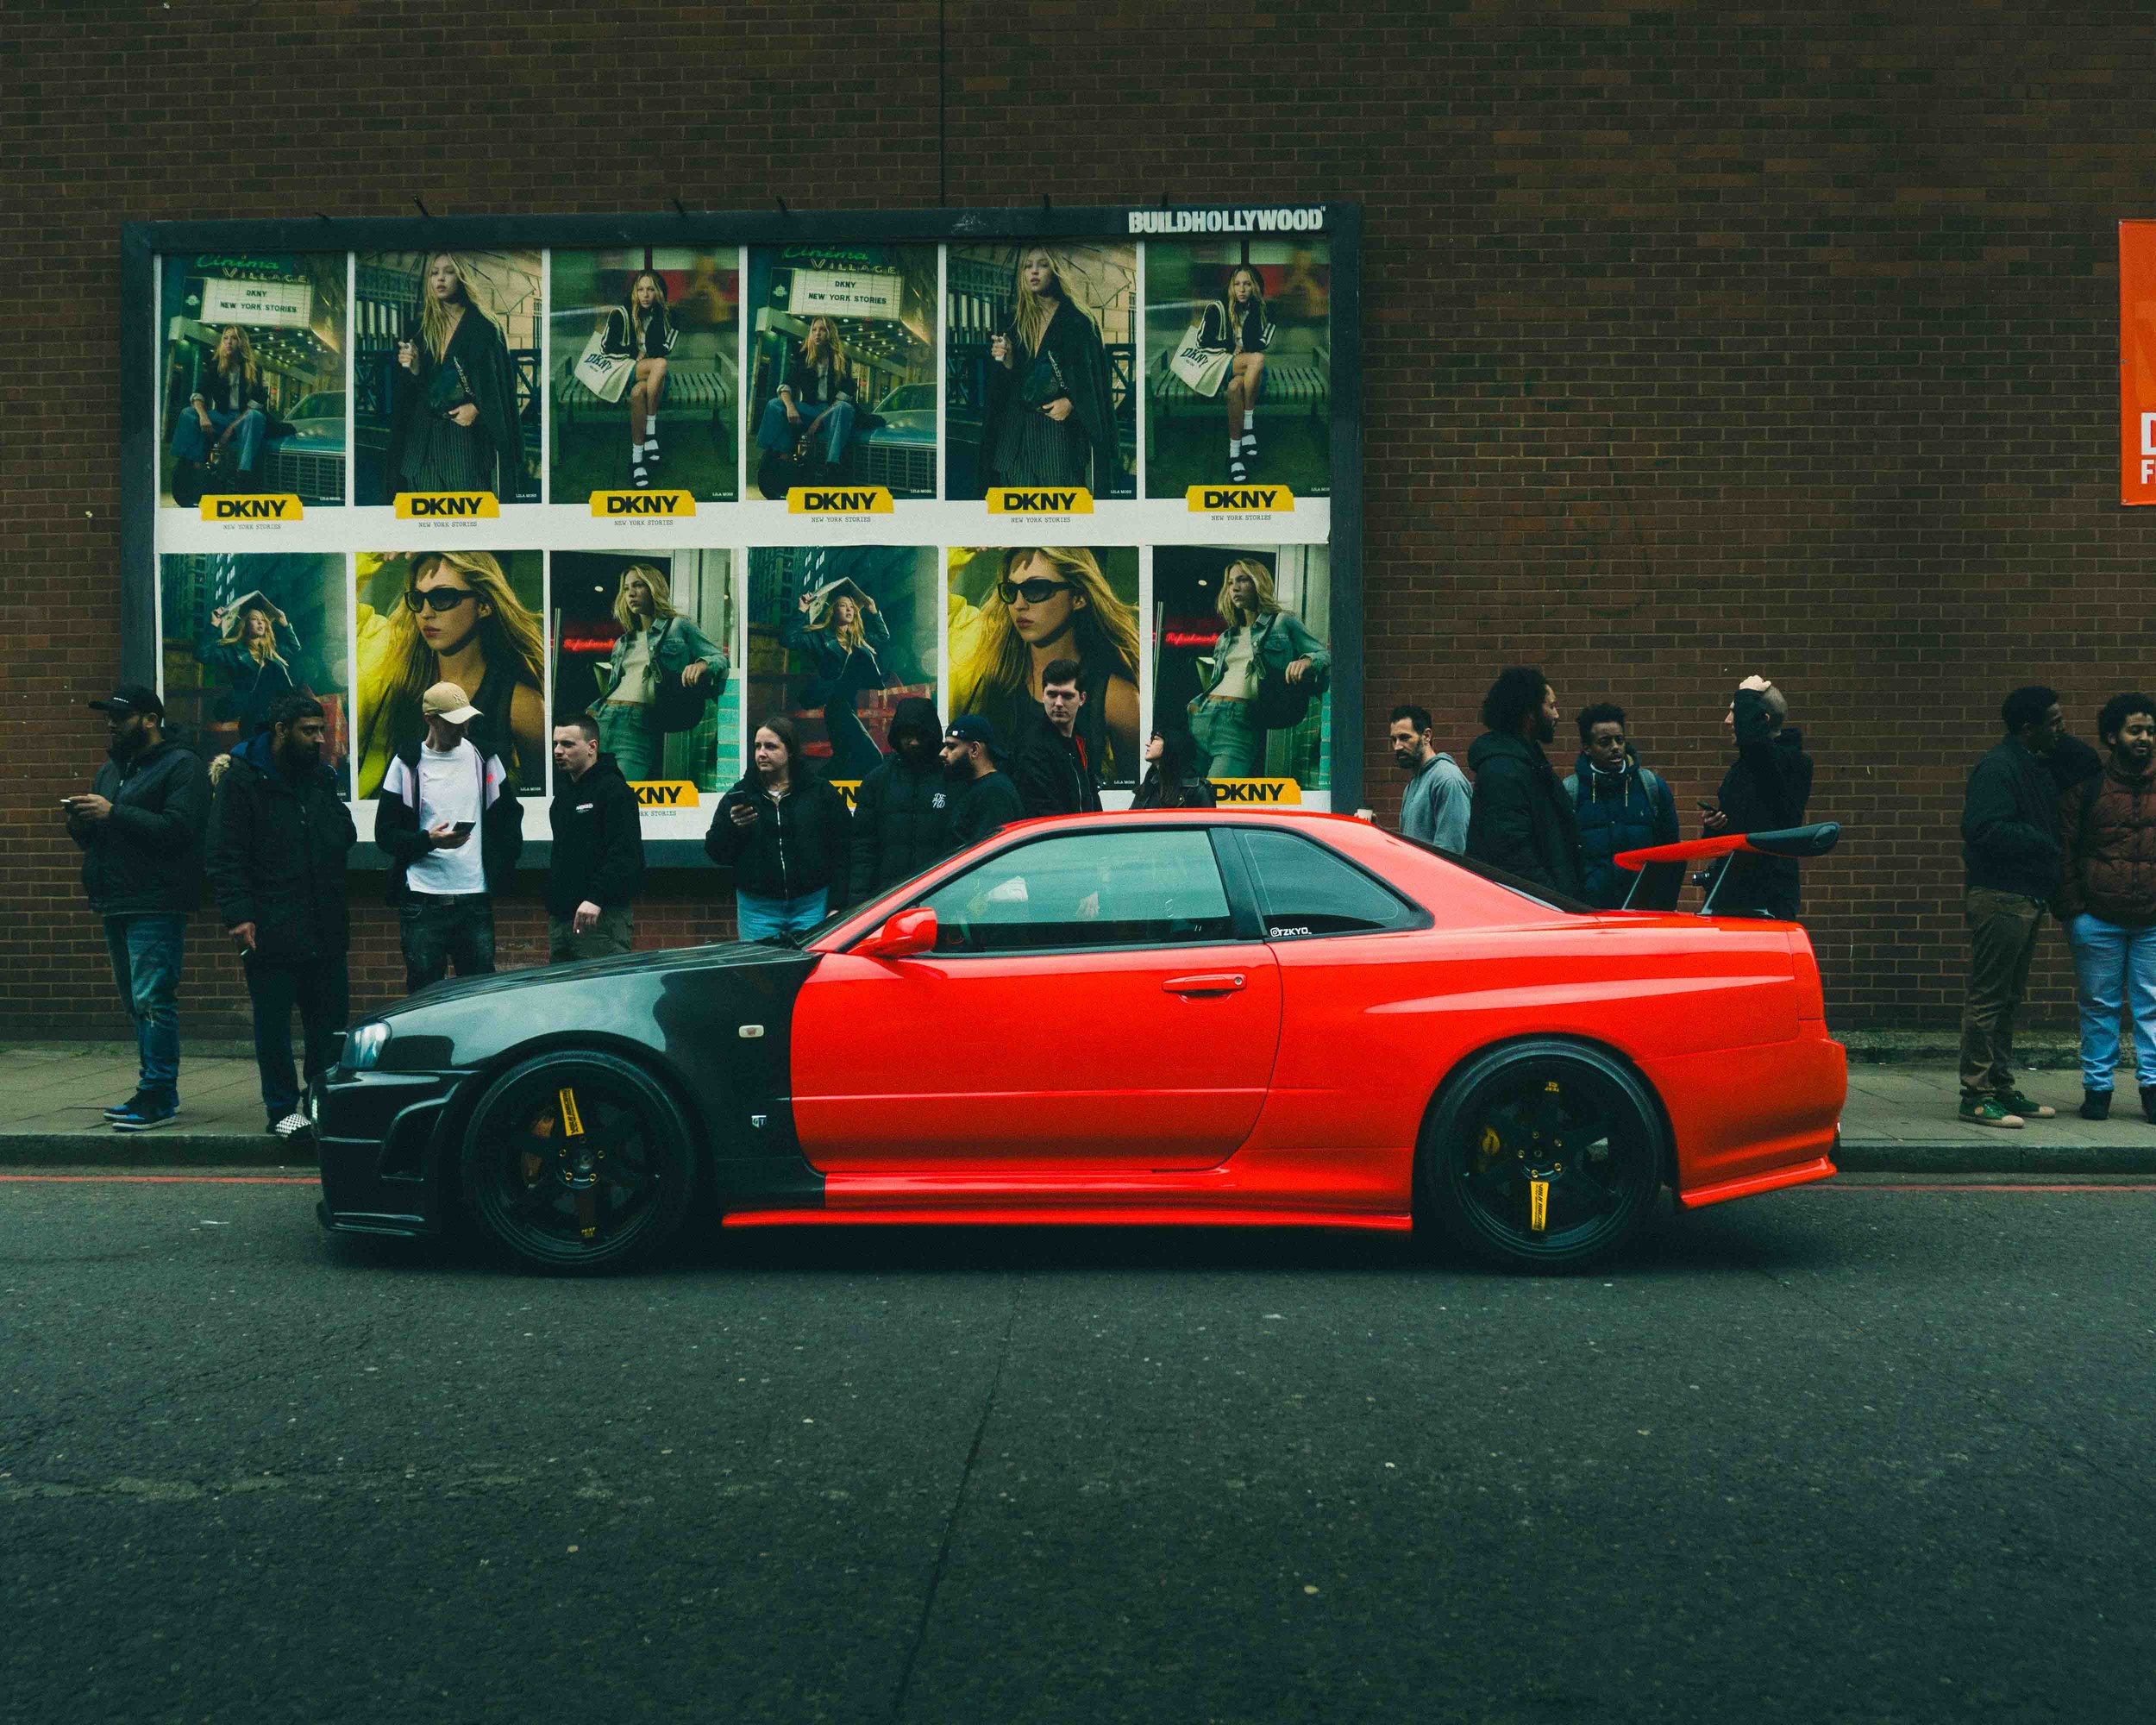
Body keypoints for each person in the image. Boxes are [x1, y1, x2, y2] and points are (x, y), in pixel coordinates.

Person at [204, 693, 356, 1138]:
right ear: (281, 730)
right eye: (309, 731)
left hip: (323, 922)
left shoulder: (321, 778)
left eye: (321, 731)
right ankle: (281, 1111)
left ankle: (319, 1102)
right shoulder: (242, 781)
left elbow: (342, 836)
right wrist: (239, 916)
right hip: (269, 924)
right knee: (273, 1025)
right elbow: (224, 854)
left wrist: (325, 807)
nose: (318, 740)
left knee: (328, 1024)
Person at [65, 686, 210, 1132]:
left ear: (150, 719)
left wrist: (114, 813)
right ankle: (152, 1089)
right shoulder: (112, 770)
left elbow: (180, 830)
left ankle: (159, 1094)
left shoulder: (182, 765)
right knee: (135, 1002)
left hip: (157, 898)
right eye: (108, 716)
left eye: (121, 717)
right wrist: (80, 822)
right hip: (116, 898)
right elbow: (99, 837)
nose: (111, 723)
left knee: (153, 999)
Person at [1957, 685, 2067, 1129]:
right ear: (2029, 728)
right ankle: (1976, 1095)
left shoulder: (2031, 765)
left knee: (2008, 998)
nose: (2062, 730)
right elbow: (1981, 828)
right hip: (2001, 897)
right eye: (2054, 722)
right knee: (1989, 998)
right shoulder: (2000, 767)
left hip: (2023, 897)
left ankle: (2000, 1086)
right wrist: (2044, 842)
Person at [354, 549, 546, 798]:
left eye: (443, 597)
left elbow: (540, 804)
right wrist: (373, 552)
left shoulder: (521, 704)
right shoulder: (397, 670)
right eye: (417, 599)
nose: (425, 612)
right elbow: (342, 612)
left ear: (484, 605)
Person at [374, 681, 524, 994]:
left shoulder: (485, 758)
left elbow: (509, 818)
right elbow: (385, 835)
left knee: (480, 994)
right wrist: (428, 841)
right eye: (456, 723)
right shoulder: (406, 763)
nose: (465, 729)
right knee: (423, 997)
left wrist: (501, 868)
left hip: (474, 898)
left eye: (467, 720)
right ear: (430, 719)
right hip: (422, 900)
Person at [950, 546, 1140, 784]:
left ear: (1078, 597)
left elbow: (1135, 798)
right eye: (1012, 590)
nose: (1019, 604)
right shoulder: (991, 675)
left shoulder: (1115, 697)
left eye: (1036, 589)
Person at [2055, 693, 2156, 1122]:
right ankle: (2098, 1091)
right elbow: (2065, 852)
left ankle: (2153, 1090)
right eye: (2136, 730)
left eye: (2151, 731)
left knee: (2152, 1006)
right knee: (2099, 1007)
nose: (2146, 738)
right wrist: (2075, 912)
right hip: (2097, 918)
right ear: (2112, 736)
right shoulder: (2088, 788)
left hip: (2152, 920)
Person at [384, 252, 523, 502]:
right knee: (425, 515)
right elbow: (415, 390)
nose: (440, 279)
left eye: (448, 272)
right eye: (434, 273)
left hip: (464, 440)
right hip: (422, 439)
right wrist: (413, 367)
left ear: (462, 278)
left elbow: (500, 385)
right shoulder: (420, 327)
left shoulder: (484, 327)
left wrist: (478, 407)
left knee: (468, 513)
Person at [981, 246, 1119, 495]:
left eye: (1042, 264)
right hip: (1015, 435)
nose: (1034, 271)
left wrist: (1072, 402)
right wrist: (1007, 359)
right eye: (1028, 265)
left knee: (1062, 510)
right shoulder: (1013, 320)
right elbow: (1010, 382)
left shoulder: (1078, 321)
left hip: (1057, 434)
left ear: (1055, 271)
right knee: (1018, 515)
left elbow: (1093, 380)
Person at [705, 718, 851, 942]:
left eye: (771, 746)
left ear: (790, 751)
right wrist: (734, 828)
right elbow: (716, 851)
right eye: (757, 746)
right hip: (758, 908)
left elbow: (844, 849)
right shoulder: (742, 794)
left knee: (812, 970)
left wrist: (838, 903)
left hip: (811, 903)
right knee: (758, 971)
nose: (761, 753)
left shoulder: (820, 793)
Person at [1187, 558, 1329, 781]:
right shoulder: (1226, 637)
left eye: (1242, 580)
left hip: (1238, 725)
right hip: (1201, 717)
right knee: (1189, 799)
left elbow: (1325, 655)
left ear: (1258, 583)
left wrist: (1306, 661)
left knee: (1219, 800)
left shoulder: (1282, 623)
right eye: (1231, 582)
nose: (1234, 587)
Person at [587, 561, 728, 784]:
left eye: (639, 586)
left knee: (621, 794)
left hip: (638, 726)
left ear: (654, 588)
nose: (631, 593)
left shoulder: (678, 626)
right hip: (602, 719)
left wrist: (701, 665)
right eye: (626, 588)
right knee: (594, 795)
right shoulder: (622, 642)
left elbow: (720, 658)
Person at [1702, 675, 1814, 919]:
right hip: (1732, 890)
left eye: (1736, 713)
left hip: (1767, 896)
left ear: (1760, 721)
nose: (1727, 721)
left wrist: (1747, 694)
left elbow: (1755, 745)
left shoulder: (1791, 763)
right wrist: (1714, 827)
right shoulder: (1744, 768)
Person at [1464, 667, 1583, 896]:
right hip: (1536, 909)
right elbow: (1511, 851)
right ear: (1529, 715)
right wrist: (1554, 900)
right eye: (1551, 706)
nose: (1557, 715)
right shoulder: (1504, 771)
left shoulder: (1527, 762)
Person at [546, 715, 644, 962]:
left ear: (592, 747)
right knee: (562, 999)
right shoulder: (564, 797)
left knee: (604, 998)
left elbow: (626, 855)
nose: (558, 751)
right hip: (562, 920)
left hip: (600, 918)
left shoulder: (614, 791)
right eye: (556, 744)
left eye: (567, 744)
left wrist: (596, 898)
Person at [1566, 702, 1681, 910]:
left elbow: (1672, 853)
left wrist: (1663, 901)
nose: (1615, 748)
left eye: (1619, 740)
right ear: (1587, 748)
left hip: (1646, 908)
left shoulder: (1652, 787)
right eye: (1605, 742)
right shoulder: (1570, 792)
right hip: (1591, 911)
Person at [782, 580, 892, 783]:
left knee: (842, 757)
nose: (849, 609)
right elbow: (788, 639)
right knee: (872, 756)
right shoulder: (820, 639)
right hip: (835, 704)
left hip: (851, 704)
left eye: (852, 607)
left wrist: (874, 612)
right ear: (833, 611)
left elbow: (883, 636)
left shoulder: (858, 641)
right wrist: (801, 611)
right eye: (843, 605)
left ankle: (816, 785)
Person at [847, 697, 954, 902]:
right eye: (906, 735)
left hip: (940, 894)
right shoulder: (876, 781)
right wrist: (857, 901)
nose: (913, 742)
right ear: (896, 735)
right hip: (887, 899)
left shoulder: (952, 778)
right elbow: (863, 848)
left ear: (932, 735)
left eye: (920, 734)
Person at [1193, 265, 1274, 482]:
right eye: (1237, 284)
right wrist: (1229, 347)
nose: (1242, 289)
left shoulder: (1263, 310)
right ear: (1231, 287)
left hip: (1251, 374)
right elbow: (1201, 341)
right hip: (1224, 366)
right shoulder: (1217, 308)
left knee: (1234, 388)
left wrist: (1254, 314)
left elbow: (1263, 342)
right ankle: (1249, 427)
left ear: (1254, 287)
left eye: (1247, 284)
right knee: (1257, 359)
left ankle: (1234, 456)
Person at [755, 316, 857, 480]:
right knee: (775, 404)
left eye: (823, 330)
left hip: (834, 411)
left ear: (831, 334)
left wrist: (817, 421)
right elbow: (786, 386)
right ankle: (779, 455)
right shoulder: (803, 357)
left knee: (843, 408)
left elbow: (844, 397)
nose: (818, 334)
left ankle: (832, 465)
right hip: (811, 408)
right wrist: (790, 407)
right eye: (814, 330)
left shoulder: (843, 360)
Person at [171, 326, 270, 492]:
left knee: (255, 415)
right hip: (222, 417)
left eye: (234, 338)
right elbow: (199, 393)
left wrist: (231, 429)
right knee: (188, 413)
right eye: (226, 338)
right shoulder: (215, 366)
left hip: (245, 418)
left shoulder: (254, 369)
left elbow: (257, 403)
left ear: (241, 342)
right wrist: (203, 417)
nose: (229, 342)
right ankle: (192, 463)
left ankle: (243, 473)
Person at [193, 591, 303, 739]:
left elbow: (294, 648)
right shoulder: (233, 651)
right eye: (255, 619)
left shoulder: (271, 652)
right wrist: (214, 625)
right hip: (252, 719)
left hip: (277, 716)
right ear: (245, 624)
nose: (260, 623)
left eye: (263, 620)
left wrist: (284, 623)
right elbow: (203, 654)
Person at [603, 270, 676, 488]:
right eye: (641, 289)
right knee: (660, 364)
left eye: (650, 289)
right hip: (629, 372)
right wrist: (632, 352)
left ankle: (636, 461)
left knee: (638, 393)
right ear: (634, 291)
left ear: (657, 292)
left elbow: (667, 346)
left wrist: (661, 318)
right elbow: (606, 347)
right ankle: (651, 433)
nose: (645, 295)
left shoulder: (665, 315)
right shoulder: (621, 314)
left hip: (655, 380)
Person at [1014, 658, 1106, 817]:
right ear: (1043, 696)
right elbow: (1044, 812)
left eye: (1067, 696)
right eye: (1052, 694)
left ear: (1082, 699)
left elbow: (1091, 797)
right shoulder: (1032, 748)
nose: (1058, 703)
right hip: (1057, 838)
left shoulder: (1080, 741)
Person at [1388, 703, 1470, 850]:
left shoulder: (1447, 780)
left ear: (1426, 736)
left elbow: (1450, 852)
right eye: (1394, 740)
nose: (1397, 747)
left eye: (1404, 738)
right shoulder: (1413, 785)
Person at [941, 713, 1025, 847]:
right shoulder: (972, 787)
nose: (943, 753)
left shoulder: (995, 794)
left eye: (951, 747)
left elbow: (986, 853)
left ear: (974, 749)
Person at [1132, 725, 1219, 810]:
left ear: (1170, 745)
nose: (1147, 744)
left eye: (1154, 739)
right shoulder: (1148, 787)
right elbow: (1131, 821)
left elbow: (1207, 824)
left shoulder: (1197, 790)